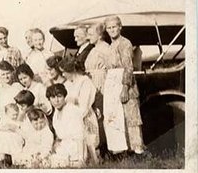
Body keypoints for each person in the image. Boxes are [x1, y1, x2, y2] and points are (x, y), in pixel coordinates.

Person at [103, 15, 145, 155]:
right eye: (109, 28)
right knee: (119, 120)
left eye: (114, 27)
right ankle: (124, 151)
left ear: (120, 27)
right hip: (113, 86)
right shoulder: (110, 46)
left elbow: (128, 67)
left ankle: (138, 151)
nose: (112, 30)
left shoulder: (125, 43)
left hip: (125, 85)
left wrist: (125, 88)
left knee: (132, 119)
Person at [60, 58, 99, 164]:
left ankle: (94, 160)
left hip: (84, 116)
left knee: (88, 140)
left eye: (64, 72)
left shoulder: (85, 81)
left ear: (71, 70)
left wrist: (76, 114)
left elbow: (85, 103)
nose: (63, 75)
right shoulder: (67, 84)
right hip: (72, 117)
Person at [85, 22, 111, 154]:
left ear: (100, 35)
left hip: (101, 84)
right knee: (95, 116)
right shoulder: (94, 49)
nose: (88, 36)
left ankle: (106, 148)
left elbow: (110, 68)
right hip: (92, 84)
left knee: (101, 115)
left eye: (91, 34)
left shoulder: (105, 49)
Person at [47, 84, 85, 167]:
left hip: (76, 147)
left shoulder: (72, 110)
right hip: (64, 145)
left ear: (64, 96)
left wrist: (81, 158)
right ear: (49, 100)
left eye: (59, 96)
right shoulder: (56, 113)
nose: (56, 100)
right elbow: (59, 136)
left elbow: (80, 136)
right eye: (53, 97)